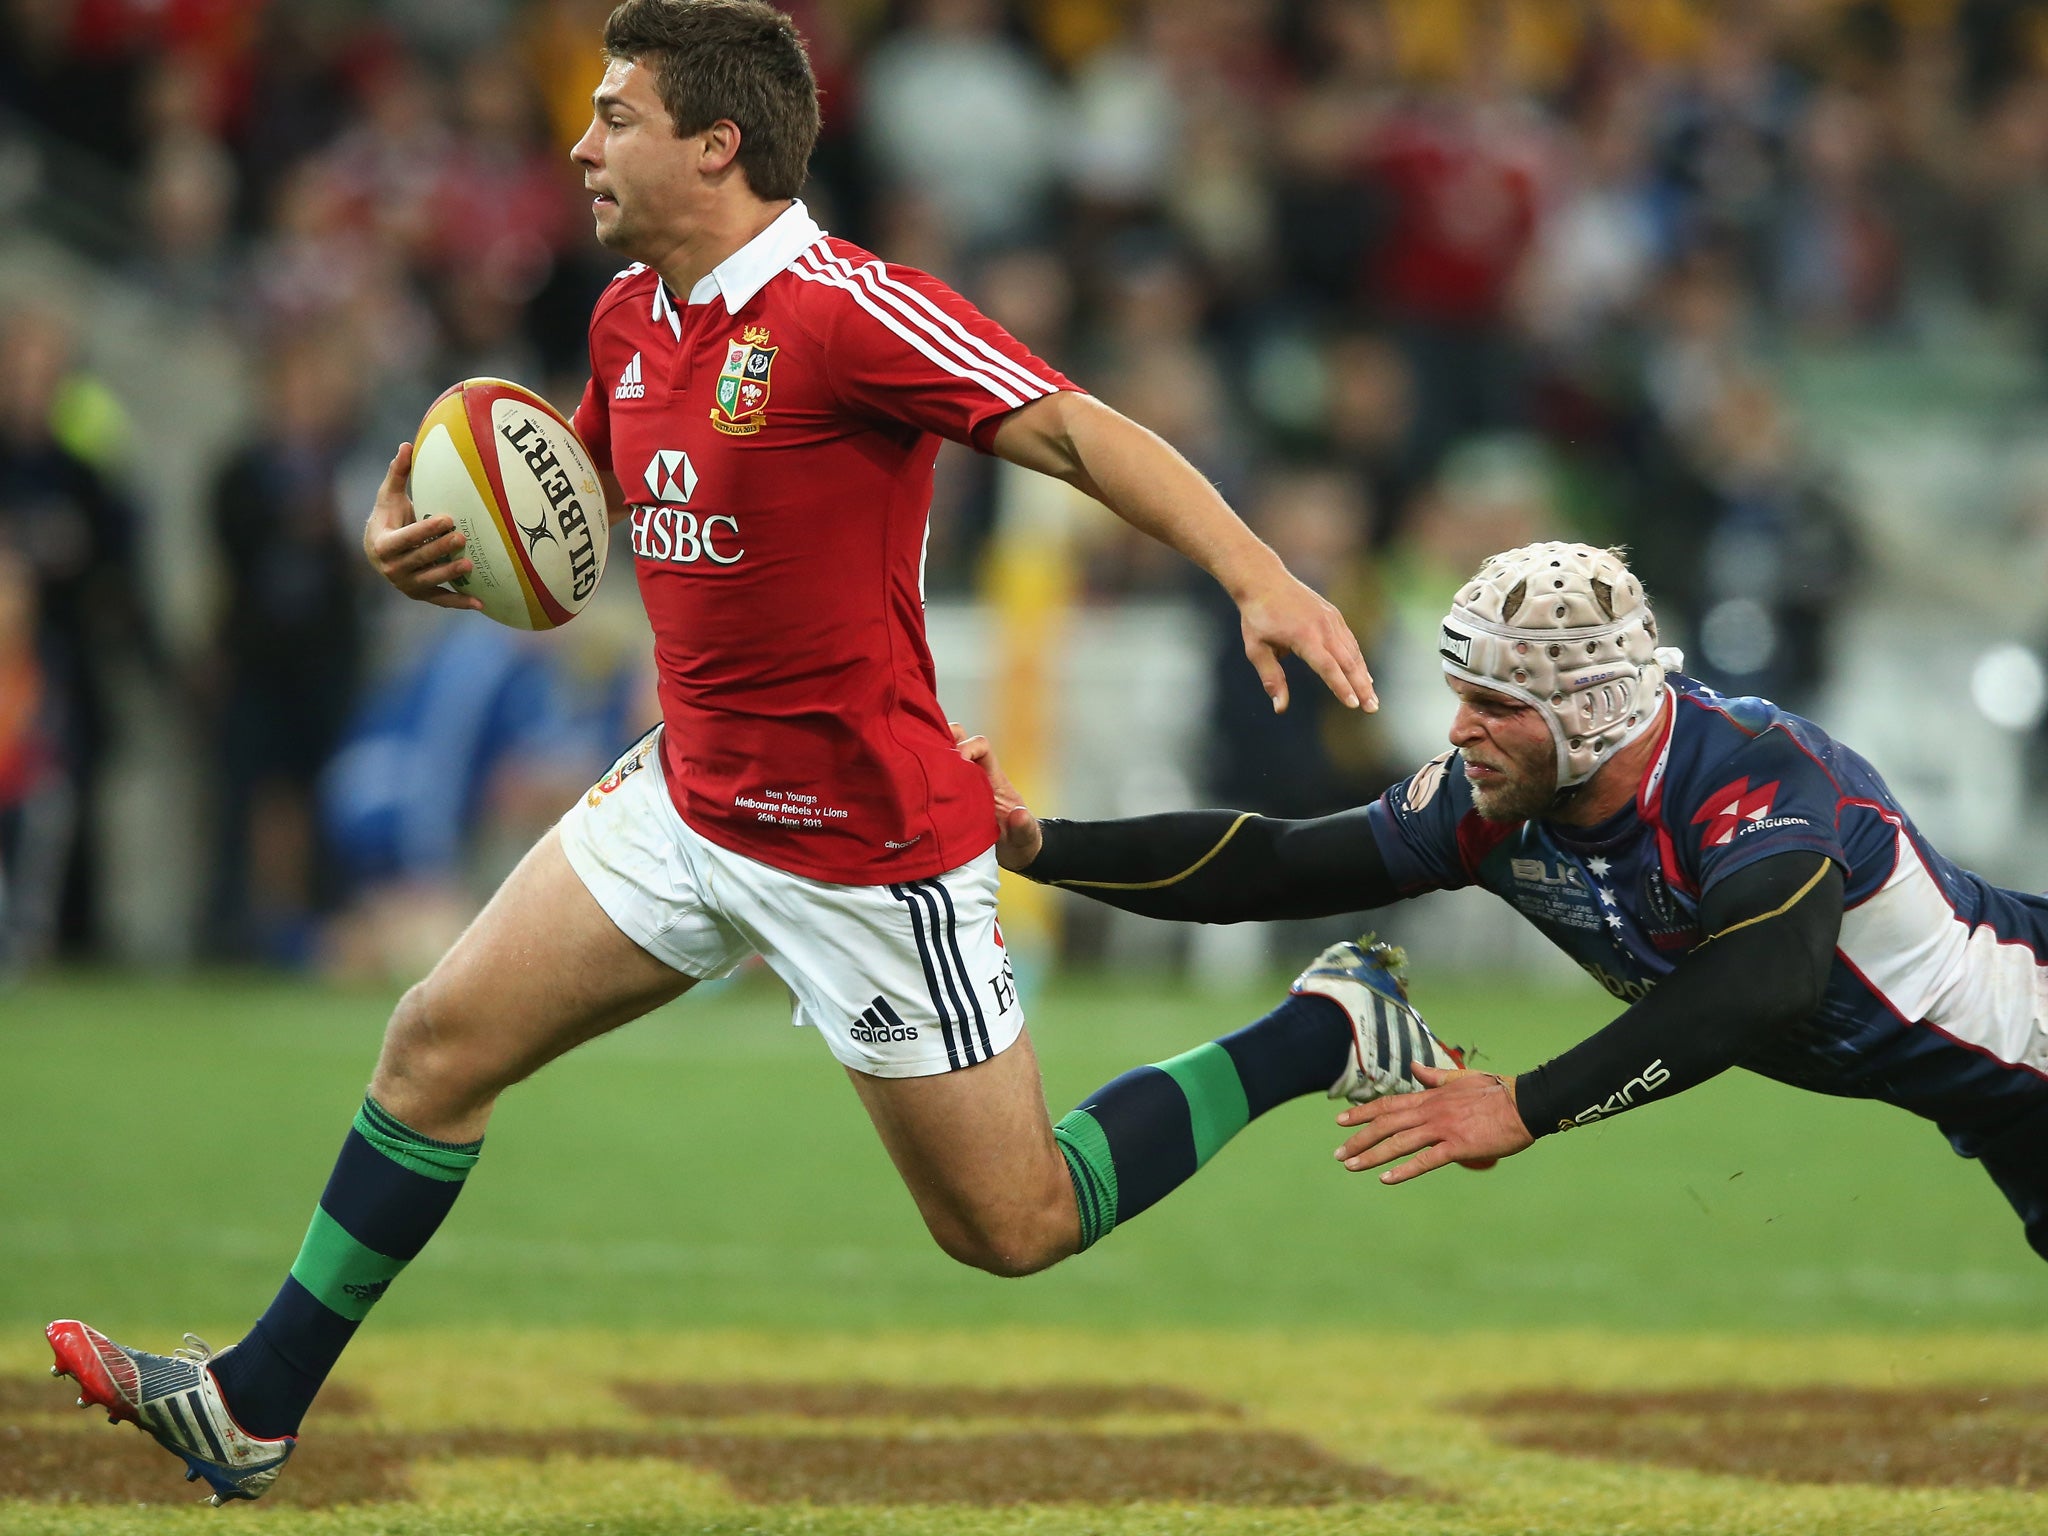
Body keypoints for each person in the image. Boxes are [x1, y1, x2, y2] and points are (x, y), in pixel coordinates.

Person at [44, 0, 1417, 1505]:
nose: (580, 143)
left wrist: (1259, 573)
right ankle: (255, 1404)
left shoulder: (851, 309)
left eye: (615, 116)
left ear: (720, 144)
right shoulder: (626, 318)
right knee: (435, 1046)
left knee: (1012, 1223)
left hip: (867, 848)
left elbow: (1079, 429)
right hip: (686, 800)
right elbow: (562, 514)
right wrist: (431, 548)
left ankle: (1324, 1028)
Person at [958, 539, 2048, 1260]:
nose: (1456, 731)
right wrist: (1043, 846)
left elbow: (1763, 979)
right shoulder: (1497, 802)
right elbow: (1279, 867)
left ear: (1596, 707)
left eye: (1494, 704)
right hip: (1990, 1097)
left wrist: (1525, 1103)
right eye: (1458, 697)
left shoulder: (1753, 776)